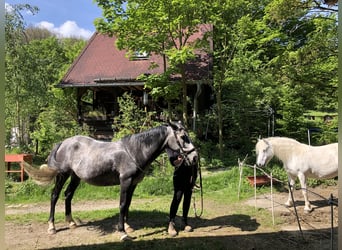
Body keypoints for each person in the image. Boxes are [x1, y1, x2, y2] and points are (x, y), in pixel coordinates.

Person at [166, 148, 198, 237]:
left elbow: (195, 161)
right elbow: (173, 162)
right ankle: (171, 223)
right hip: (179, 175)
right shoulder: (172, 147)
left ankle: (184, 221)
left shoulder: (189, 145)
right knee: (177, 198)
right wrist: (178, 161)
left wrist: (194, 176)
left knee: (187, 197)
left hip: (190, 175)